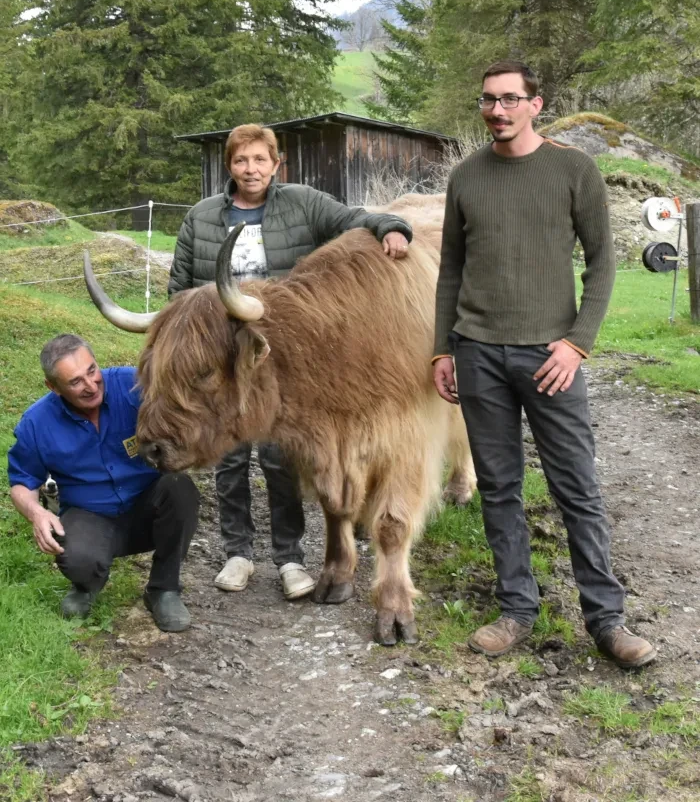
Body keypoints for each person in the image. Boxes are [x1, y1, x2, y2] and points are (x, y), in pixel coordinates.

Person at [432, 60, 656, 670]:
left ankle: (607, 620)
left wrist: (576, 343)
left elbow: (604, 263)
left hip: (550, 356)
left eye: (509, 100)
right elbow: (451, 269)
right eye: (487, 101)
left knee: (575, 487)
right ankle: (515, 609)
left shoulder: (573, 170)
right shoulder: (466, 177)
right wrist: (442, 348)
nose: (497, 112)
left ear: (536, 103)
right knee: (499, 488)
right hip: (477, 353)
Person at [169, 123, 412, 599]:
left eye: (260, 159)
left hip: (289, 360)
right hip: (222, 360)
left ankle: (290, 557)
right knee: (229, 459)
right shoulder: (201, 218)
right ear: (229, 166)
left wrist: (391, 226)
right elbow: (179, 288)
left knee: (286, 458)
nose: (251, 169)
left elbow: (354, 219)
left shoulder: (302, 202)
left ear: (276, 164)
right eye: (241, 160)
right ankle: (238, 552)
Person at [8, 334, 200, 632]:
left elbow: (186, 401)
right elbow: (21, 482)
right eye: (75, 382)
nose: (90, 385)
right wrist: (37, 513)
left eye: (92, 371)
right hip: (90, 515)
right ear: (53, 387)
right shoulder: (36, 423)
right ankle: (86, 586)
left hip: (147, 505)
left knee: (180, 487)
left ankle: (164, 589)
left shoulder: (133, 385)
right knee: (75, 556)